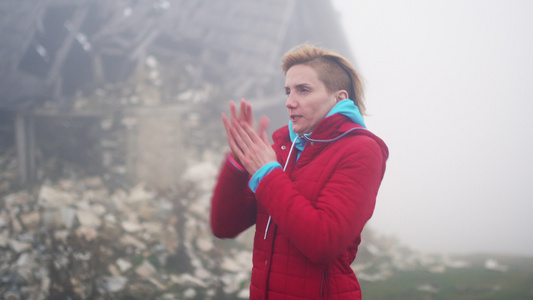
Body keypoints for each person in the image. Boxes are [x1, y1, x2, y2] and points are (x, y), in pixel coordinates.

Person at [210, 44, 389, 300]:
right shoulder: (284, 149)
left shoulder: (362, 150)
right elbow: (224, 227)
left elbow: (322, 243)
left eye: (303, 90)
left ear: (339, 98)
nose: (289, 102)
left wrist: (268, 174)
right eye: (287, 91)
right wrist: (240, 162)